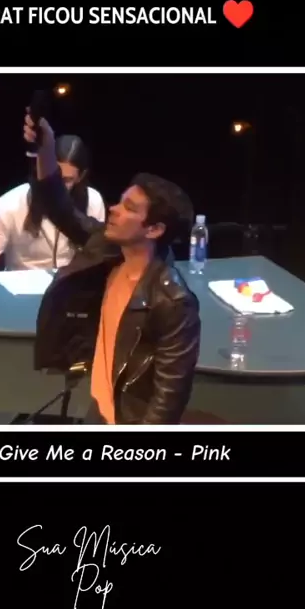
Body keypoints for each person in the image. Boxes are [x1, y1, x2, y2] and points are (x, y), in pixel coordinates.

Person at [23, 111, 201, 425]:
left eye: (129, 208)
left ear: (154, 229)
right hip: (99, 409)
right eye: (120, 201)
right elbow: (58, 206)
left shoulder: (172, 301)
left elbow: (168, 401)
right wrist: (46, 148)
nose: (113, 210)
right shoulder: (107, 251)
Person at [0, 134, 106, 275]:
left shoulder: (93, 201)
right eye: (55, 177)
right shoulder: (10, 204)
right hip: (20, 287)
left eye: (67, 180)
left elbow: (95, 257)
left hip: (70, 286)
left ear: (80, 176)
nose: (58, 186)